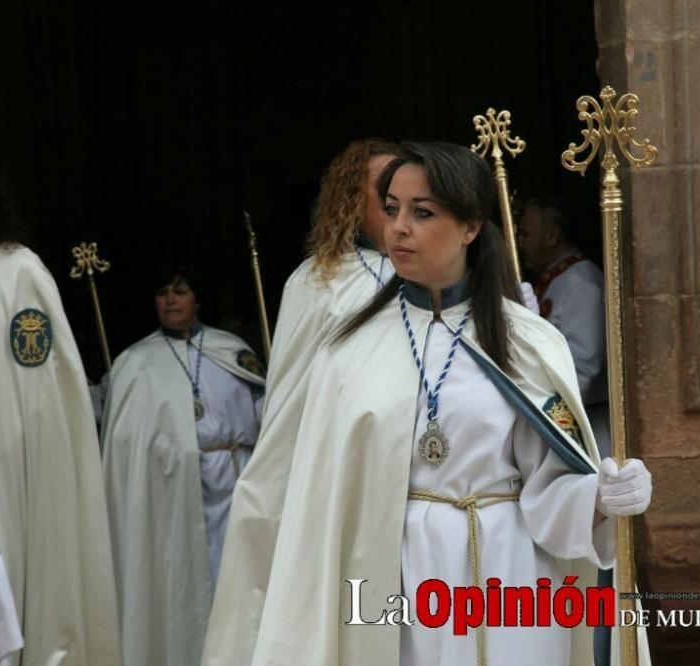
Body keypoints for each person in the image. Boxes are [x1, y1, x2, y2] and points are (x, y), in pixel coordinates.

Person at [209, 142, 653, 665]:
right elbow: (322, 505)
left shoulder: (528, 344)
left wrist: (600, 497)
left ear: (470, 227)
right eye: (392, 208)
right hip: (390, 582)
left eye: (422, 213)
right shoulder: (346, 351)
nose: (398, 227)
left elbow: (549, 491)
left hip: (511, 581)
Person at [202, 138, 401, 662]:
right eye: (381, 191)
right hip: (343, 469)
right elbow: (292, 398)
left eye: (404, 191)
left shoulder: (441, 278)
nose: (394, 203)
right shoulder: (319, 281)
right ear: (351, 202)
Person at [0, 141, 122, 665]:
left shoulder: (18, 271)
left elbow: (45, 380)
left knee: (1, 567)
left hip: (4, 447)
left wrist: (31, 449)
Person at [100, 266, 265, 666]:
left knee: (240, 581)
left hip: (234, 485)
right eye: (162, 294)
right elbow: (124, 444)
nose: (171, 300)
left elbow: (267, 414)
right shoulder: (136, 362)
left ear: (198, 299)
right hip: (172, 493)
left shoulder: (232, 350)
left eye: (180, 291)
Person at [518, 196, 610, 456]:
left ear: (552, 235)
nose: (520, 243)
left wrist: (545, 410)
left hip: (583, 422)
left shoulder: (582, 284)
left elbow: (584, 367)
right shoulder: (556, 279)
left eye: (525, 234)